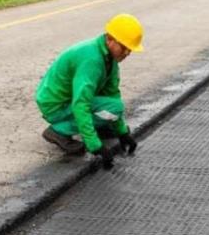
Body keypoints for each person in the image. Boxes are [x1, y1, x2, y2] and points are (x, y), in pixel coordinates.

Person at [36, 14, 143, 170]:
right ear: (110, 39)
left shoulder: (109, 59)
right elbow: (81, 103)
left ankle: (100, 127)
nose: (127, 53)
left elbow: (111, 95)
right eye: (124, 47)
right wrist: (95, 146)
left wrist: (122, 133)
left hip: (68, 99)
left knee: (113, 106)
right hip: (56, 105)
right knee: (114, 108)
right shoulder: (92, 60)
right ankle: (58, 131)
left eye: (130, 49)